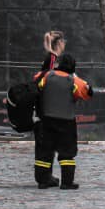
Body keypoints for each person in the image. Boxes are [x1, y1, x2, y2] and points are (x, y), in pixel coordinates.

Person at [34, 53, 91, 190]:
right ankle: (67, 182)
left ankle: (43, 181)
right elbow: (87, 93)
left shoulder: (48, 76)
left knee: (45, 152)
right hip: (66, 123)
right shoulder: (73, 81)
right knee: (66, 153)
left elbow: (36, 82)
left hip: (47, 121)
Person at [32, 30, 67, 184]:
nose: (64, 44)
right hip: (47, 108)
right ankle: (45, 177)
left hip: (45, 107)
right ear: (59, 43)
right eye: (63, 42)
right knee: (47, 145)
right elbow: (50, 79)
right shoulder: (53, 58)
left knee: (45, 144)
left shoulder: (50, 57)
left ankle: (44, 176)